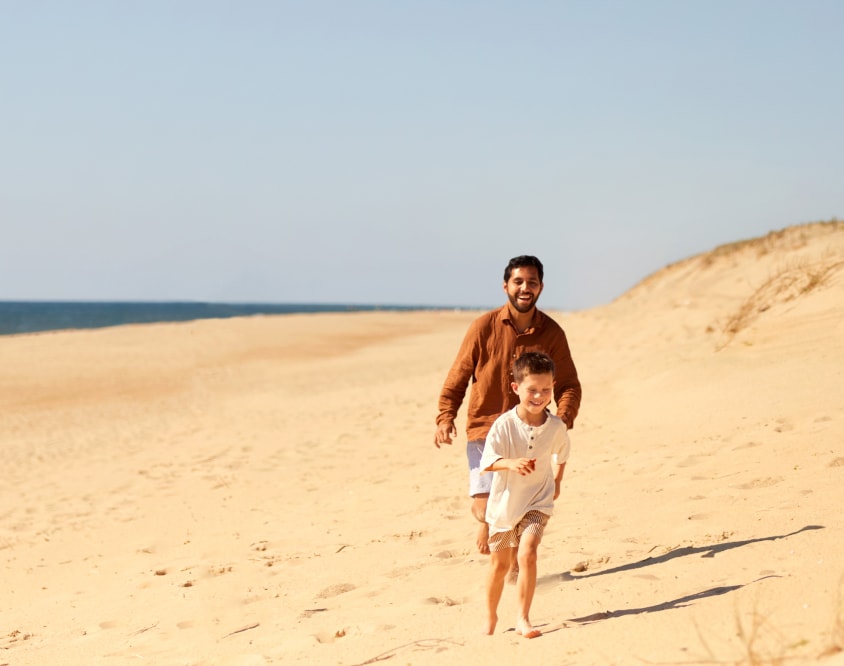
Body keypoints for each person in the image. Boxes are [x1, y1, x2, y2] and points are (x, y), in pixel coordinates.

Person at [433, 255, 581, 554]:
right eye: (518, 281)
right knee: (483, 506)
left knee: (520, 507)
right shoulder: (483, 327)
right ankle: (487, 522)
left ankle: (513, 567)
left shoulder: (552, 333)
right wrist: (445, 416)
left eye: (532, 282)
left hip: (529, 434)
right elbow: (459, 374)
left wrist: (562, 421)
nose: (525, 287)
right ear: (505, 286)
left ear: (540, 287)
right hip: (484, 429)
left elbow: (569, 385)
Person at [479, 351, 570, 638]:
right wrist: (510, 463)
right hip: (505, 506)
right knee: (500, 565)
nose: (539, 396)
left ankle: (523, 619)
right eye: (532, 390)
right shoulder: (504, 425)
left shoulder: (555, 426)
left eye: (546, 390)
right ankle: (491, 616)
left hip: (537, 501)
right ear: (516, 388)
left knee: (528, 554)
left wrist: (556, 481)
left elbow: (562, 454)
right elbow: (487, 462)